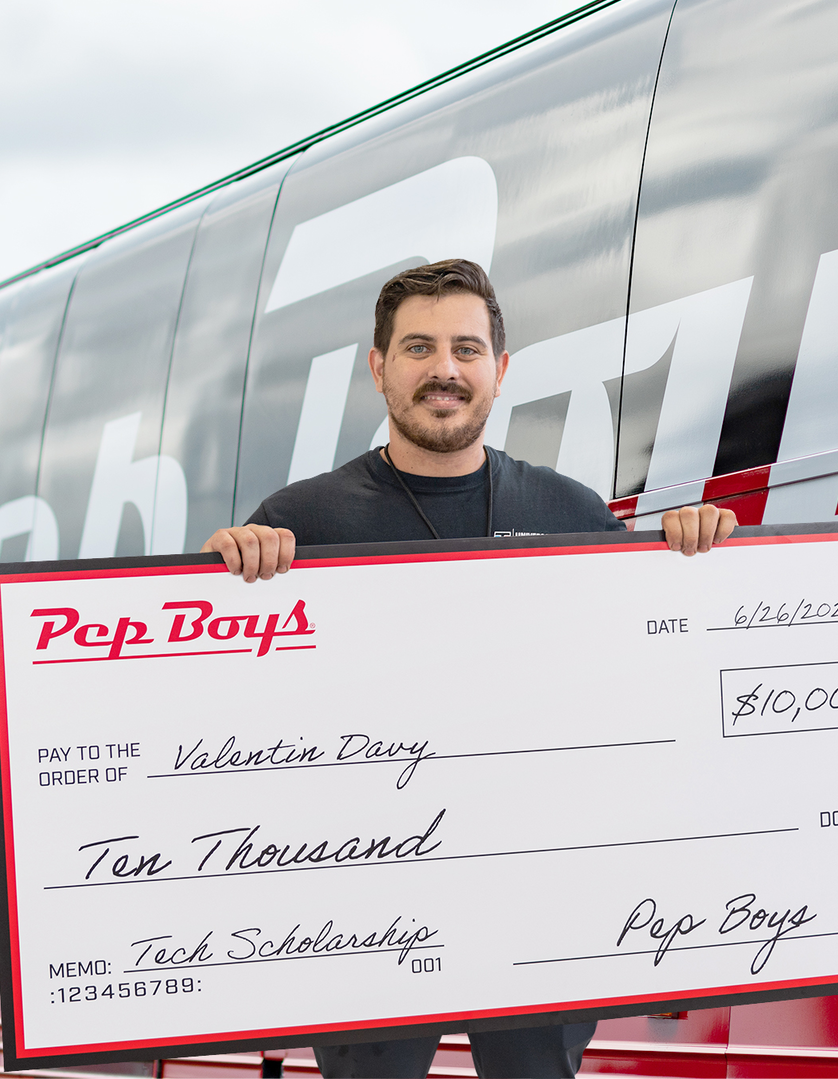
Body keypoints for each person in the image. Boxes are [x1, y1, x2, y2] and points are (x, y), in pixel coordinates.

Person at [201, 258, 736, 1078]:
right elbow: (225, 699)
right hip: (365, 893)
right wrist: (220, 576)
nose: (444, 369)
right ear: (378, 368)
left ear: (500, 371)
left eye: (466, 349)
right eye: (418, 348)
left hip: (541, 888)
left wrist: (693, 554)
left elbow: (650, 673)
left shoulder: (574, 515)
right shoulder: (297, 524)